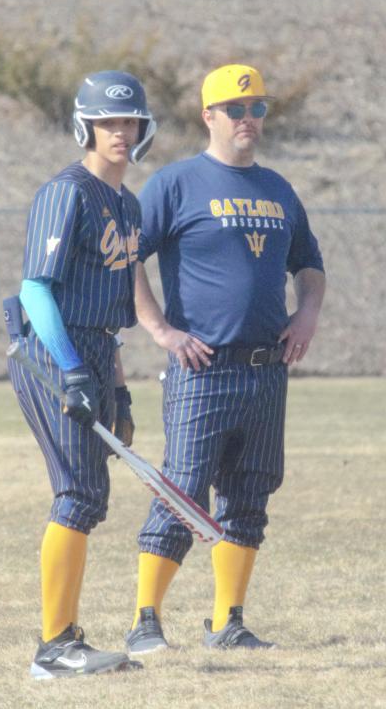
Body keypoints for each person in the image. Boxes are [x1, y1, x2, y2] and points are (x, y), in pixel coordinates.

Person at [124, 64, 325, 653]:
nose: (248, 119)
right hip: (201, 367)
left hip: (266, 368)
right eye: (236, 109)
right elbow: (128, 255)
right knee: (182, 491)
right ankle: (145, 621)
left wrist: (307, 311)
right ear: (207, 115)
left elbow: (309, 265)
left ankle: (226, 621)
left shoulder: (279, 189)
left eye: (257, 108)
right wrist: (158, 327)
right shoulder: (175, 183)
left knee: (249, 493)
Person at [6, 70, 157, 678]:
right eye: (108, 122)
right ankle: (53, 648)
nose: (120, 133)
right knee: (77, 492)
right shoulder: (65, 191)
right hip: (52, 352)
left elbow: (112, 315)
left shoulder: (128, 202)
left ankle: (66, 638)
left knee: (90, 497)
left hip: (94, 353)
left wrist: (116, 385)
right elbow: (34, 289)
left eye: (130, 122)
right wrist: (71, 370)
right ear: (85, 126)